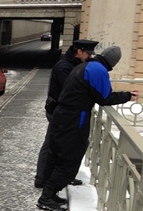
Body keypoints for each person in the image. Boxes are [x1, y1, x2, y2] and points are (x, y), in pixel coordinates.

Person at [37, 46, 139, 211]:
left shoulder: (84, 66)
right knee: (70, 157)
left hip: (63, 115)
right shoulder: (98, 70)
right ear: (113, 62)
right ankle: (46, 197)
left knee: (57, 154)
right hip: (74, 119)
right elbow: (105, 98)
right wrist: (127, 96)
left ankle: (50, 192)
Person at [34, 39, 99, 189]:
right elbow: (71, 90)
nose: (90, 57)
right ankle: (42, 178)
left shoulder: (73, 64)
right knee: (51, 144)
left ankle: (61, 176)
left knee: (63, 145)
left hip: (62, 111)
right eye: (88, 53)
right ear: (79, 51)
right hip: (57, 111)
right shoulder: (64, 67)